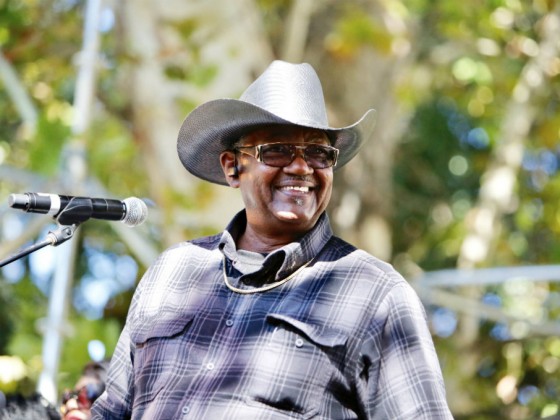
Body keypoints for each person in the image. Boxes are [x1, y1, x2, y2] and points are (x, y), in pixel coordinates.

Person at [92, 60, 453, 419]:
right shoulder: (172, 271)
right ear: (233, 167)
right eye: (278, 150)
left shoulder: (376, 294)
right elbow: (112, 411)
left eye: (318, 153)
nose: (301, 167)